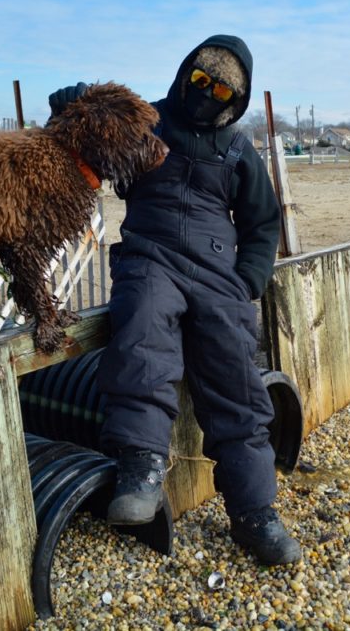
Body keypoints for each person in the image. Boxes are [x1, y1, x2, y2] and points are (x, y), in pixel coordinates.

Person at [48, 34, 301, 566]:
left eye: (221, 90)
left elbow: (262, 223)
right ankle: (140, 467)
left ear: (237, 99)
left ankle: (256, 513)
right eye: (201, 82)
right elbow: (92, 127)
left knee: (236, 374)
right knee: (141, 334)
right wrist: (73, 101)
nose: (207, 95)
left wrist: (247, 280)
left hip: (217, 274)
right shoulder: (145, 121)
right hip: (150, 257)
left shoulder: (238, 149)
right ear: (187, 73)